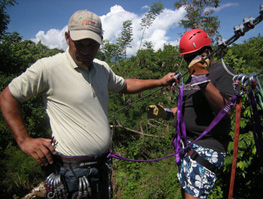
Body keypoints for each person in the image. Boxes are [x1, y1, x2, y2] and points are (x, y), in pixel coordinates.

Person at [0, 10, 175, 199]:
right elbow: (8, 97)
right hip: (71, 174)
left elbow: (124, 85)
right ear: (67, 38)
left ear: (100, 41)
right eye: (79, 43)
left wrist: (160, 82)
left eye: (92, 44)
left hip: (100, 168)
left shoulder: (102, 68)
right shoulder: (48, 68)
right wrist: (24, 140)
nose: (85, 50)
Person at [148, 29, 235, 199]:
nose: (190, 62)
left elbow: (227, 110)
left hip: (206, 147)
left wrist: (204, 80)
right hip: (187, 146)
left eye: (193, 56)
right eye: (187, 58)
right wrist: (163, 113)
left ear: (207, 52)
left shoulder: (221, 71)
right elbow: (185, 107)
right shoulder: (192, 76)